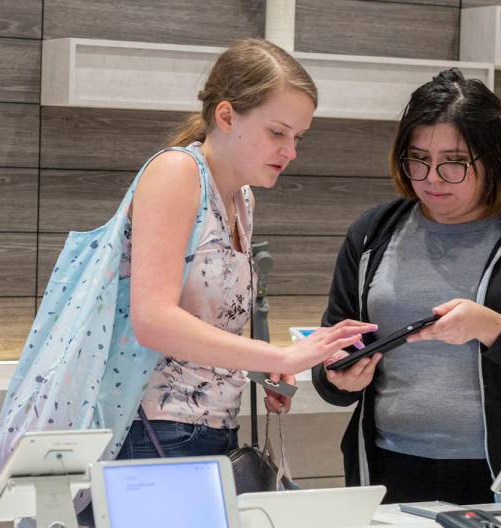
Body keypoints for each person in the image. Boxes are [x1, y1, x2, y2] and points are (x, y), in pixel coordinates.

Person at [312, 68, 501, 505]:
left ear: (492, 158)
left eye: (453, 162)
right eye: (418, 159)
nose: (431, 178)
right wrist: (338, 379)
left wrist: (494, 330)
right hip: (389, 471)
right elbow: (328, 355)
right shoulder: (372, 234)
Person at [99, 39, 375, 463]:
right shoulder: (176, 173)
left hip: (212, 426)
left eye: (298, 136)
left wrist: (263, 367)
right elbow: (153, 320)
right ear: (226, 115)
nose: (290, 151)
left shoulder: (242, 198)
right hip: (150, 429)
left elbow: (207, 324)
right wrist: (279, 354)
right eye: (277, 132)